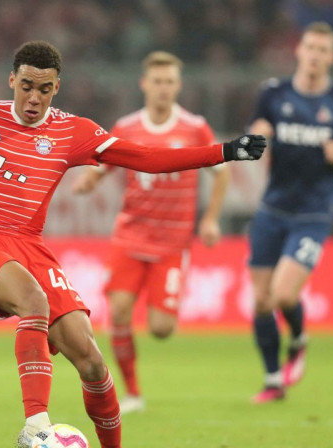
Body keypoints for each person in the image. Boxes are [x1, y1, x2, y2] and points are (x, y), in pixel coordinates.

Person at [0, 41, 265, 448]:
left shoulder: (73, 132)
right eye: (26, 86)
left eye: (44, 89)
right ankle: (36, 427)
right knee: (33, 302)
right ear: (11, 80)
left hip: (29, 245)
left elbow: (146, 157)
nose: (33, 98)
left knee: (90, 359)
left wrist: (224, 151)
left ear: (57, 87)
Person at [70, 51, 231, 414]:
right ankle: (133, 394)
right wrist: (91, 179)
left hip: (172, 243)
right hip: (130, 235)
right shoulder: (127, 126)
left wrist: (210, 220)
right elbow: (108, 159)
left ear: (179, 85)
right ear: (145, 84)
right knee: (120, 311)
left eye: (169, 82)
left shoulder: (194, 127)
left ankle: (158, 305)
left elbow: (221, 172)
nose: (163, 88)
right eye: (157, 81)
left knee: (161, 328)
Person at [246, 21, 333, 404]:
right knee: (261, 301)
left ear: (331, 57)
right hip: (272, 208)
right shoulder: (273, 93)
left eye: (323, 50)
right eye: (310, 48)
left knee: (284, 294)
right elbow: (253, 130)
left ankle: (299, 337)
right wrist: (257, 132)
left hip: (316, 212)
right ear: (299, 51)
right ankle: (272, 380)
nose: (315, 56)